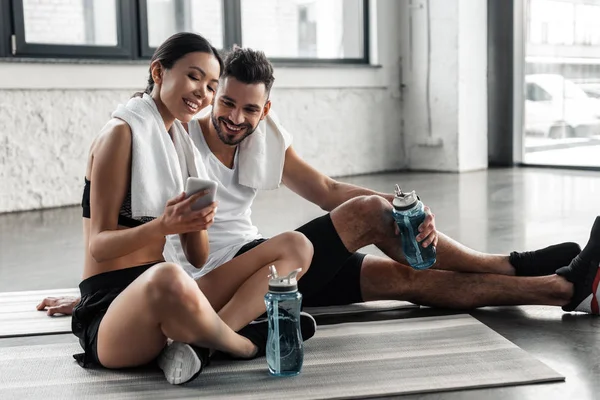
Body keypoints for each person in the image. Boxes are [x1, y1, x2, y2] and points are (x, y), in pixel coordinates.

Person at [40, 47, 600, 321]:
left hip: (276, 271)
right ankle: (506, 262)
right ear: (213, 94)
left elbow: (329, 190)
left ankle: (558, 289)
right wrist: (105, 298)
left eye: (248, 108)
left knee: (406, 277)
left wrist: (410, 209)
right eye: (225, 101)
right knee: (373, 214)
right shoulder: (175, 138)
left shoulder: (261, 138)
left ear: (266, 109)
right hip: (219, 280)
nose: (233, 117)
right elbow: (123, 221)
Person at [47, 33, 317, 386]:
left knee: (297, 246)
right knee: (168, 278)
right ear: (158, 72)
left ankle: (200, 343)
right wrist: (165, 225)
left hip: (169, 290)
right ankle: (245, 344)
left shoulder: (181, 145)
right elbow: (98, 244)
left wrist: (196, 223)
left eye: (210, 86)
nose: (201, 94)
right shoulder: (120, 135)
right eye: (193, 77)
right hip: (111, 313)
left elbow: (198, 258)